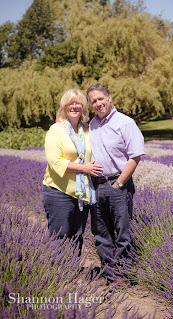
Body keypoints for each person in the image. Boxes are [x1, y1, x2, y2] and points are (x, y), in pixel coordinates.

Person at [87, 83, 145, 282]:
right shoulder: (92, 125)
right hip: (96, 186)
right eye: (93, 101)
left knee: (123, 232)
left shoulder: (125, 123)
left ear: (109, 98)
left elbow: (135, 156)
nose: (98, 103)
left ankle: (123, 275)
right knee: (101, 232)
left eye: (101, 98)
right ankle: (109, 275)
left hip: (118, 184)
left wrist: (119, 183)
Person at [42, 89, 102, 255]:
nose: (74, 106)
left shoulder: (88, 130)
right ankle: (58, 275)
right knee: (60, 236)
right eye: (71, 103)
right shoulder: (56, 130)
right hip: (58, 191)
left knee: (77, 235)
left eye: (78, 103)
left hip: (82, 193)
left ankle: (73, 273)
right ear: (64, 107)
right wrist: (84, 168)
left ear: (83, 107)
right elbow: (54, 161)